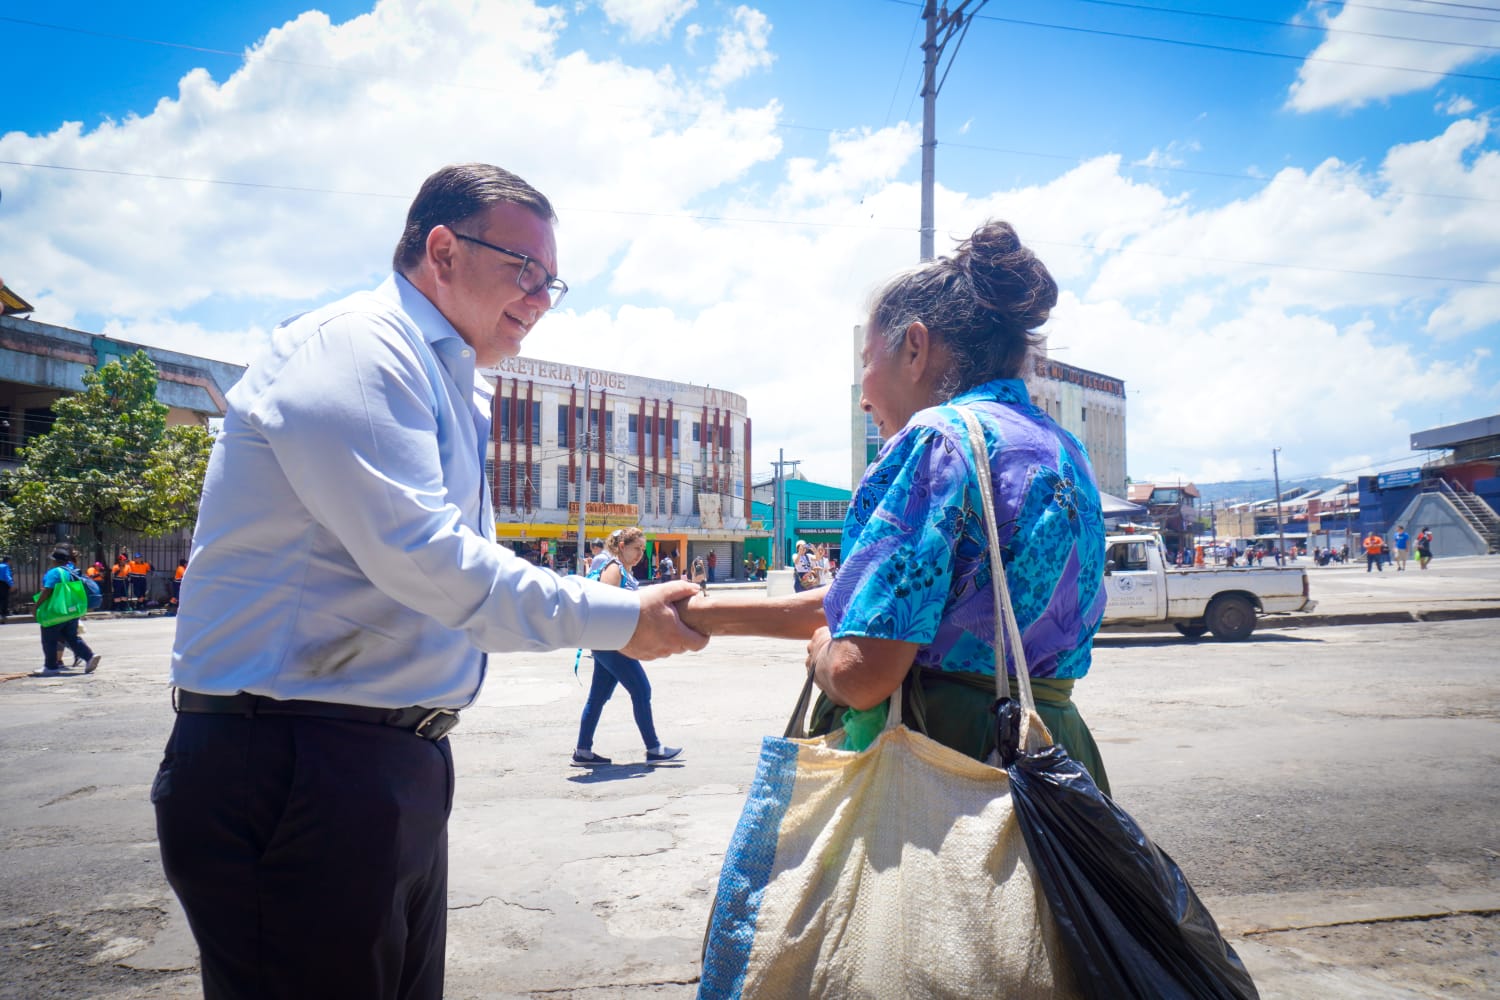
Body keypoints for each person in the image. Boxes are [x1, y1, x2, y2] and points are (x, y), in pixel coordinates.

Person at [151, 163, 706, 1000]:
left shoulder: (443, 375)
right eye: (523, 268)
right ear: (441, 248)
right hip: (294, 757)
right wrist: (622, 617)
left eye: (552, 280)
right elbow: (433, 564)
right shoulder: (357, 349)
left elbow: (460, 581)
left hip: (379, 759)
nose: (541, 296)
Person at [680, 219, 1111, 792]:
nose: (862, 394)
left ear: (915, 346)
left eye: (865, 360)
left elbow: (864, 672)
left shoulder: (938, 438)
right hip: (1051, 761)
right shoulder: (1061, 446)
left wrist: (823, 657)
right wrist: (701, 615)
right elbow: (881, 605)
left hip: (947, 768)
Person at [572, 527, 684, 767]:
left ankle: (583, 751)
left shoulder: (622, 569)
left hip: (607, 642)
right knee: (642, 690)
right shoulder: (614, 568)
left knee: (598, 697)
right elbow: (608, 605)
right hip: (613, 643)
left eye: (643, 550)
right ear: (622, 546)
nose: (640, 554)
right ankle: (654, 748)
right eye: (636, 549)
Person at [30, 546, 102, 678]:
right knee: (71, 637)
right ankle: (89, 656)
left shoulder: (55, 572)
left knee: (49, 639)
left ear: (54, 560)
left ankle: (50, 667)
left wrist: (36, 606)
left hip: (57, 612)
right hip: (71, 611)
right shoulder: (71, 571)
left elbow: (47, 590)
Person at [0, 555, 11, 623]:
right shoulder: (5, 566)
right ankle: (4, 613)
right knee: (4, 599)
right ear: (8, 561)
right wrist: (11, 585)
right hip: (3, 584)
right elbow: (7, 576)